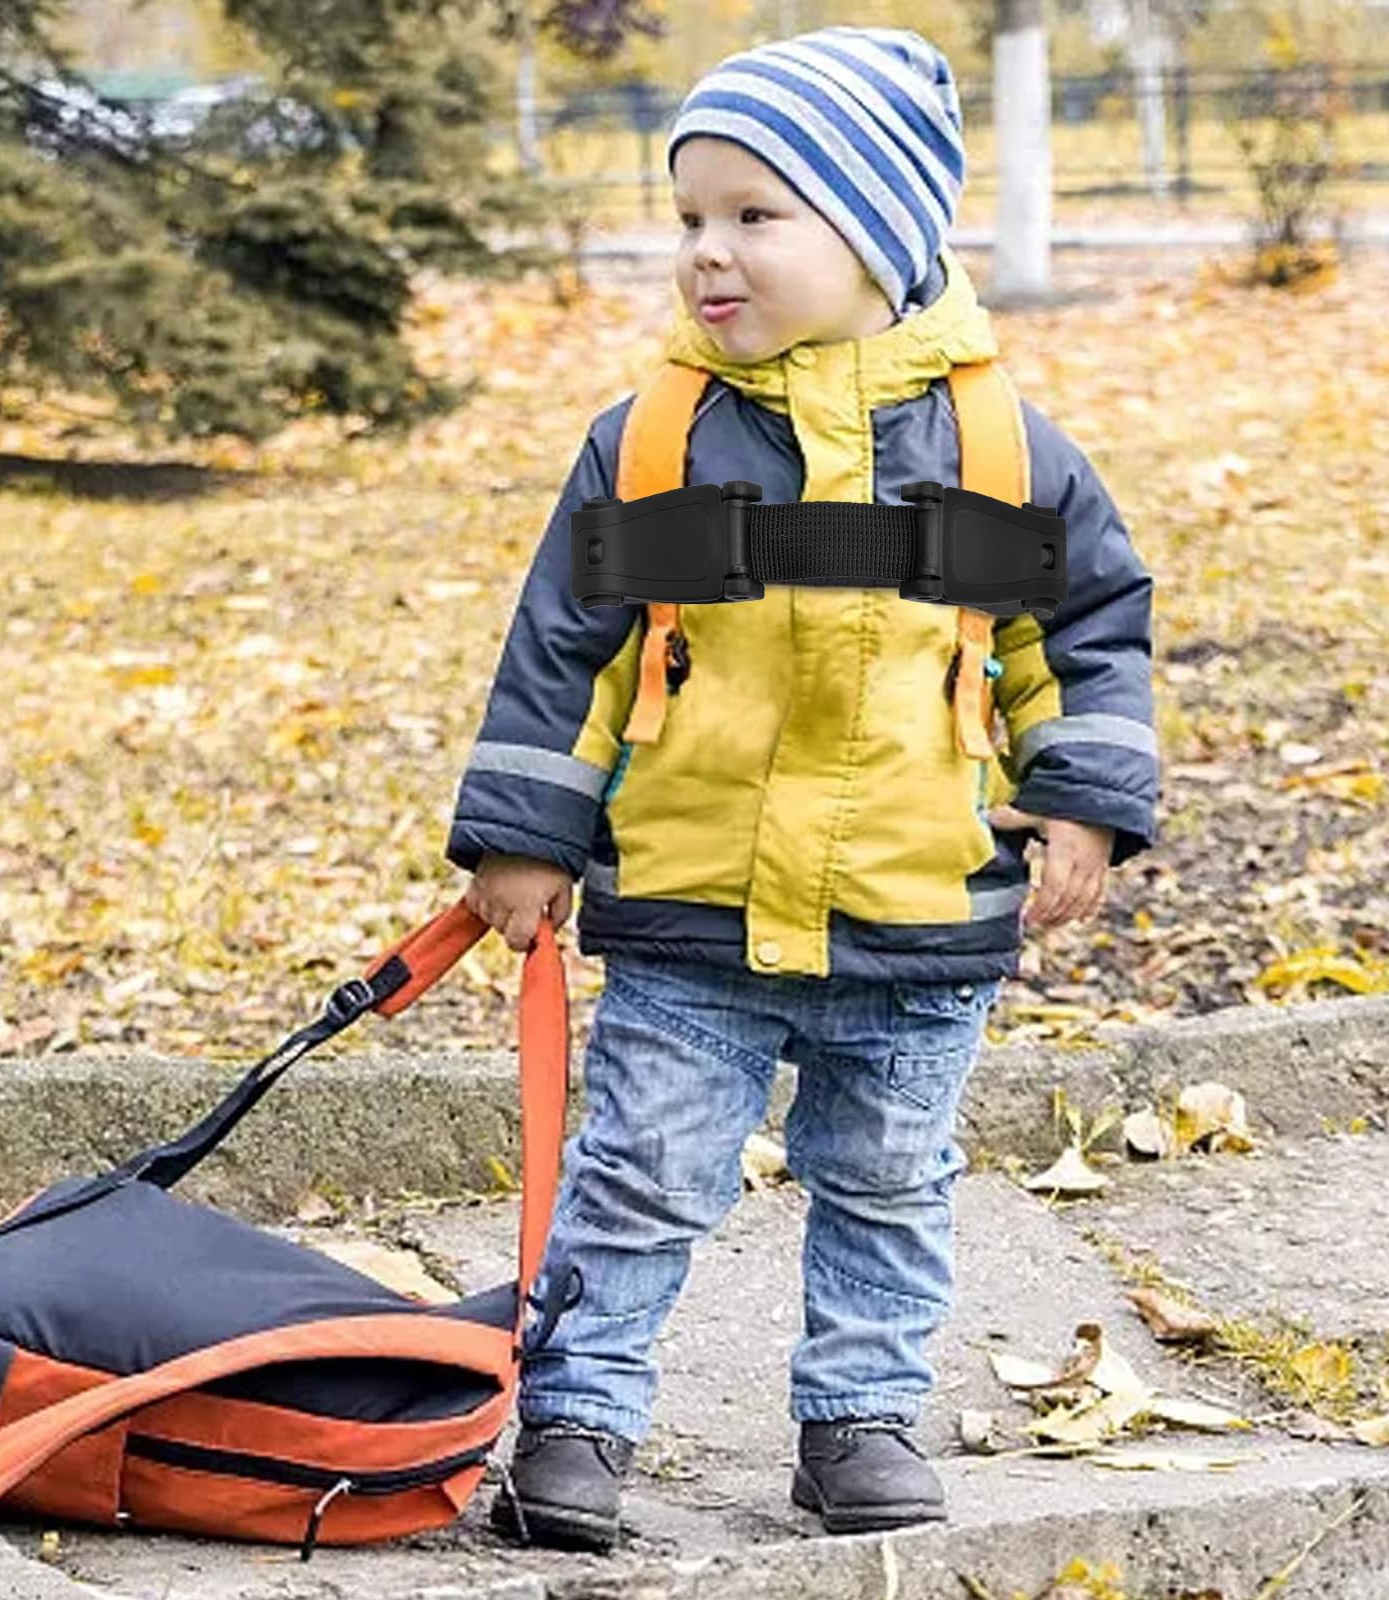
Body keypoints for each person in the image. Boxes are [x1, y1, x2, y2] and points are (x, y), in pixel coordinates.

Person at [446, 24, 1159, 1553]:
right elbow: (566, 653)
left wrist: (1083, 799)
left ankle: (860, 1420)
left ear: (882, 231)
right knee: (636, 1180)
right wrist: (525, 835)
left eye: (756, 217)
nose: (709, 253)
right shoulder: (651, 442)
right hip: (694, 909)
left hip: (918, 917)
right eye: (691, 218)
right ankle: (576, 1419)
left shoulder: (995, 448)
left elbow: (1076, 635)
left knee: (890, 1189)